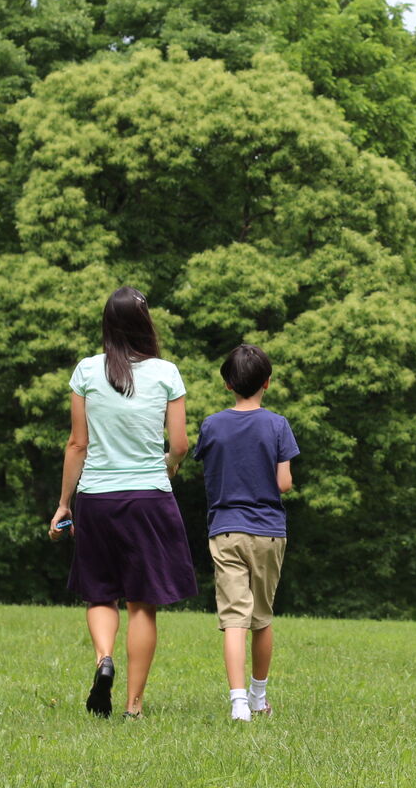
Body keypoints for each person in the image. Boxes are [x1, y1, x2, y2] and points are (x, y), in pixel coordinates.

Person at [48, 287, 196, 719]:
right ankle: (133, 707)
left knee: (99, 593)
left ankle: (103, 661)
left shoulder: (86, 371)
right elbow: (181, 445)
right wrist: (165, 470)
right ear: (146, 324)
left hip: (96, 498)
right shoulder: (167, 372)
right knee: (141, 603)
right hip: (149, 498)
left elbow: (77, 444)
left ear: (107, 325)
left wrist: (64, 504)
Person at [193, 344, 299, 722]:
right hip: (269, 531)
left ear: (227, 384)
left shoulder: (211, 424)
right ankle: (258, 697)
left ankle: (238, 703)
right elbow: (284, 483)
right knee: (262, 617)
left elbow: (207, 464)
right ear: (267, 383)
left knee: (233, 617)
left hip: (224, 530)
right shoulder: (277, 425)